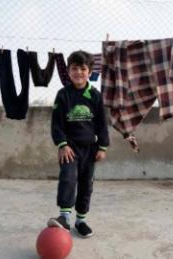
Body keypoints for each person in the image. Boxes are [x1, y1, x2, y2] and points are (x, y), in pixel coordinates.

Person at [47, 50, 110, 238]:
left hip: (90, 150)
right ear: (68, 71)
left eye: (83, 69)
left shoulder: (95, 96)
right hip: (70, 149)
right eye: (74, 68)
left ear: (89, 72)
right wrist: (62, 145)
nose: (79, 73)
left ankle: (80, 220)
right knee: (68, 178)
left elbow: (102, 124)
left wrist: (103, 146)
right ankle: (64, 217)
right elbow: (56, 123)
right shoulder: (63, 95)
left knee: (86, 185)